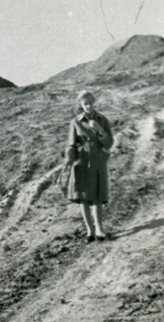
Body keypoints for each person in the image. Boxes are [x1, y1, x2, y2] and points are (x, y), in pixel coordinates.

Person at [65, 90, 113, 242]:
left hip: (98, 159)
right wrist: (69, 156)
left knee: (97, 196)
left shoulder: (102, 120)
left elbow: (109, 144)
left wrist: (99, 129)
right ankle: (89, 231)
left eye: (91, 103)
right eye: (85, 104)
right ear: (81, 105)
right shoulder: (75, 122)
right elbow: (70, 144)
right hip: (82, 161)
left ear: (94, 102)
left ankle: (99, 229)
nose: (89, 106)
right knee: (84, 198)